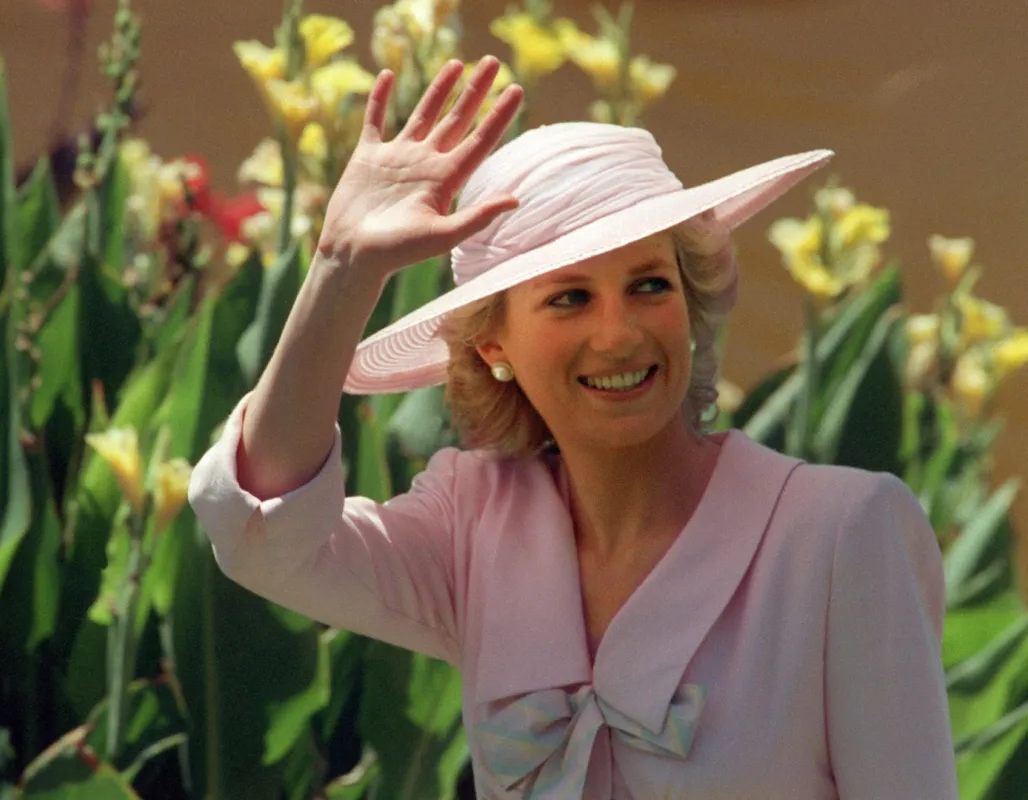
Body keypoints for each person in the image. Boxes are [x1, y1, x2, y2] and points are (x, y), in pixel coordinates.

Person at [188, 56, 958, 799]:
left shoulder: (843, 531)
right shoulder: (474, 527)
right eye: (569, 299)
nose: (620, 333)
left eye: (650, 284)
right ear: (494, 344)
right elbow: (265, 533)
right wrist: (340, 266)